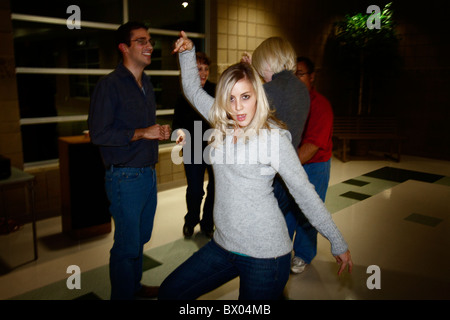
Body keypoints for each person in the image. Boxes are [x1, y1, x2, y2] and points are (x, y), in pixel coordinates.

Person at [158, 32, 352, 300]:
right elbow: (192, 89)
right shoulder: (221, 121)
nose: (238, 107)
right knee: (170, 292)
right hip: (223, 246)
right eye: (231, 98)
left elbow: (304, 193)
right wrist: (188, 52)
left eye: (246, 96)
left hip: (266, 254)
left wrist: (337, 240)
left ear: (258, 95)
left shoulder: (273, 137)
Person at [88, 21, 171, 300]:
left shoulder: (146, 83)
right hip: (124, 178)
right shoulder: (109, 85)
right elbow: (99, 134)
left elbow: (140, 129)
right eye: (141, 41)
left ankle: (133, 289)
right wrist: (141, 133)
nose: (149, 46)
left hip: (147, 174)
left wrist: (157, 131)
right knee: (126, 246)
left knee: (139, 241)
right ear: (124, 48)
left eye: (150, 40)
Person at [286, 57, 335, 273]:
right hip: (292, 162)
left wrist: (284, 165)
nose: (295, 78)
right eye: (292, 73)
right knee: (285, 209)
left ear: (312, 77)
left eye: (300, 73)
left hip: (315, 166)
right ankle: (280, 251)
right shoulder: (289, 101)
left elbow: (312, 145)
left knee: (308, 211)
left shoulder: (320, 106)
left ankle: (303, 254)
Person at [172, 52, 216, 239]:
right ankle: (191, 221)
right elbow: (177, 126)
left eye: (206, 69)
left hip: (215, 148)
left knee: (215, 188)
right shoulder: (185, 95)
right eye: (199, 69)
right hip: (193, 148)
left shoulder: (216, 90)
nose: (203, 73)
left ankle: (207, 224)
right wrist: (180, 134)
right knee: (195, 190)